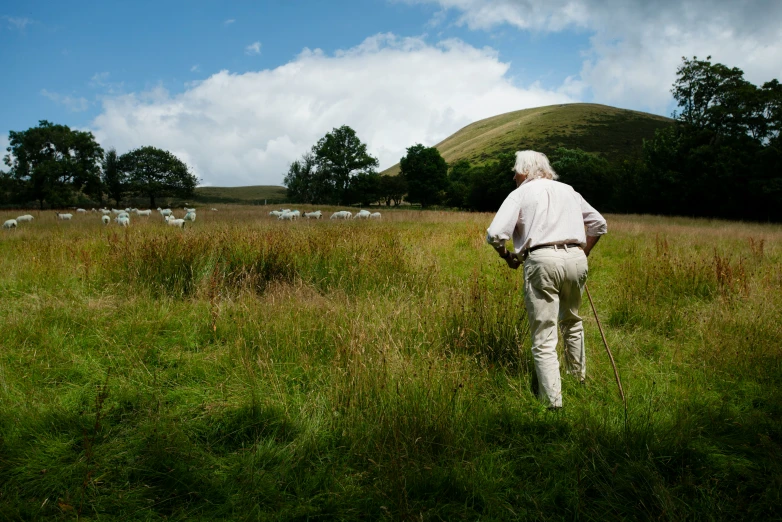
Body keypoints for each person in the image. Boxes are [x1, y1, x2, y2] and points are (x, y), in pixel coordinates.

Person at [486, 150, 607, 409]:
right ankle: (578, 380)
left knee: (544, 333)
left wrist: (507, 256)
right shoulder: (568, 190)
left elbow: (495, 233)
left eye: (516, 171)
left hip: (541, 260)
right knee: (573, 322)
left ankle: (553, 403)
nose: (514, 177)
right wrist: (581, 254)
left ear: (524, 171)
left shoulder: (520, 193)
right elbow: (598, 224)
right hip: (576, 259)